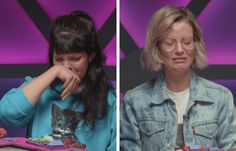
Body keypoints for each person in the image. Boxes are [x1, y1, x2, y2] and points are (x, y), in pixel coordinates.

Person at [120, 5, 236, 151]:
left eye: (187, 42)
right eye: (170, 43)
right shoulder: (135, 101)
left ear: (195, 44)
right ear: (157, 47)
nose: (180, 50)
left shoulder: (221, 98)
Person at [0, 11, 116, 151]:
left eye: (75, 59)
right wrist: (54, 71)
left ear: (90, 56)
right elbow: (7, 112)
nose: (66, 67)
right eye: (59, 59)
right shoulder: (41, 89)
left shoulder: (109, 100)